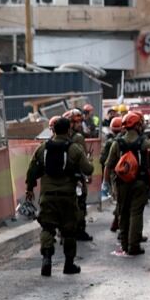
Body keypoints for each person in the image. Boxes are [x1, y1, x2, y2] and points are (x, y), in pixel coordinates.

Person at [24, 116, 93, 276]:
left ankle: (46, 259)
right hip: (67, 197)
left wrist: (29, 189)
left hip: (47, 196)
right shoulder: (74, 149)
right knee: (69, 230)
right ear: (68, 130)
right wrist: (88, 160)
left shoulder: (42, 148)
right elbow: (88, 169)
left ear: (53, 130)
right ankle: (69, 264)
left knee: (47, 227)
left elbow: (32, 170)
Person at [103, 111, 150, 256]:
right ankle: (134, 246)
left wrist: (106, 183)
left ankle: (124, 245)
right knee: (136, 213)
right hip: (140, 183)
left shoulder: (117, 143)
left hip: (121, 184)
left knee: (123, 213)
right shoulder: (145, 143)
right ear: (137, 126)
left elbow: (108, 165)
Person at [64, 109, 94, 241]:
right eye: (77, 122)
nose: (80, 124)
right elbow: (83, 158)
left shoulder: (58, 137)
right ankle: (80, 230)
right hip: (76, 176)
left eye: (80, 121)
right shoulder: (78, 138)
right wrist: (88, 172)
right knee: (80, 203)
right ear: (70, 123)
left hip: (62, 177)